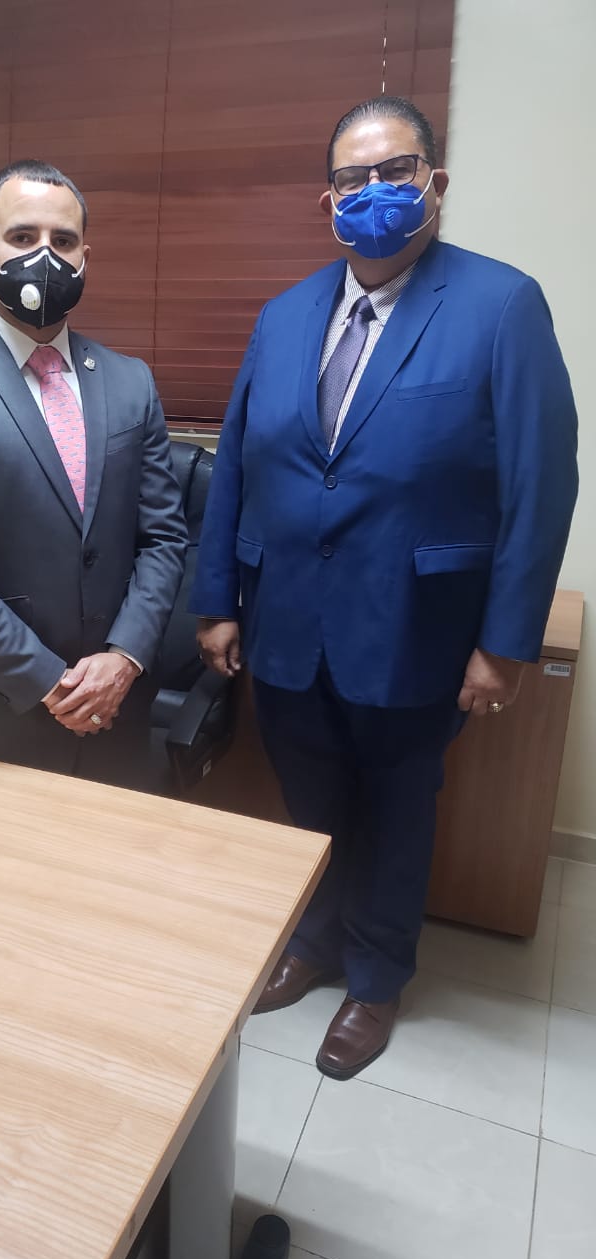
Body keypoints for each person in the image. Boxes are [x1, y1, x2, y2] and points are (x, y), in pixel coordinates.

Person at [191, 96, 578, 1080]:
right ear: (327, 200)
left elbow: (542, 483)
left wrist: (506, 641)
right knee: (311, 800)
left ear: (434, 183)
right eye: (351, 178)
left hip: (418, 629)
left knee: (400, 810)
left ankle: (376, 976)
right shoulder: (284, 316)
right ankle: (316, 940)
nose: (373, 192)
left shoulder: (501, 305)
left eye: (394, 171)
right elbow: (238, 465)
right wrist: (217, 600)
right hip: (286, 624)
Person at [0, 160, 187, 786]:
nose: (44, 255)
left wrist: (124, 660)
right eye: (22, 237)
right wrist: (51, 682)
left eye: (63, 240)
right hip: (2, 709)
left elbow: (162, 538)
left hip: (120, 701)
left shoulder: (131, 381)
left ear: (84, 258)